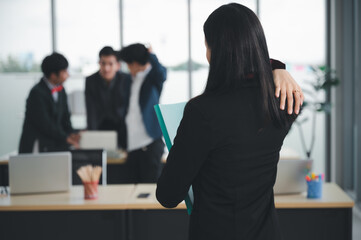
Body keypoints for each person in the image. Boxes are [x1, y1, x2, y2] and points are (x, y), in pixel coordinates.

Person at [156, 3, 300, 240]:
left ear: (217, 51)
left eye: (207, 45)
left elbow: (168, 196)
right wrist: (278, 68)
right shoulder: (282, 106)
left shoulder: (202, 112)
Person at [117, 43, 167, 183]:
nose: (127, 67)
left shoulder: (153, 78)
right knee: (132, 190)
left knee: (150, 190)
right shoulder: (129, 79)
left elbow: (162, 74)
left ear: (136, 63)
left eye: (128, 64)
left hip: (150, 142)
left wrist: (151, 55)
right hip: (132, 144)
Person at [19, 52, 80, 153]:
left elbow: (65, 118)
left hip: (55, 144)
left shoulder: (61, 90)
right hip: (36, 147)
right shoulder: (36, 93)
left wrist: (71, 133)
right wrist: (65, 137)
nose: (68, 75)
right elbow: (45, 124)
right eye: (64, 71)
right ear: (53, 75)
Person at [85, 46, 129, 149]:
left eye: (110, 64)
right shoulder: (90, 81)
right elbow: (91, 110)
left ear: (118, 65)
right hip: (100, 126)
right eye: (103, 63)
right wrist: (92, 137)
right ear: (99, 63)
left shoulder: (126, 79)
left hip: (123, 126)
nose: (106, 68)